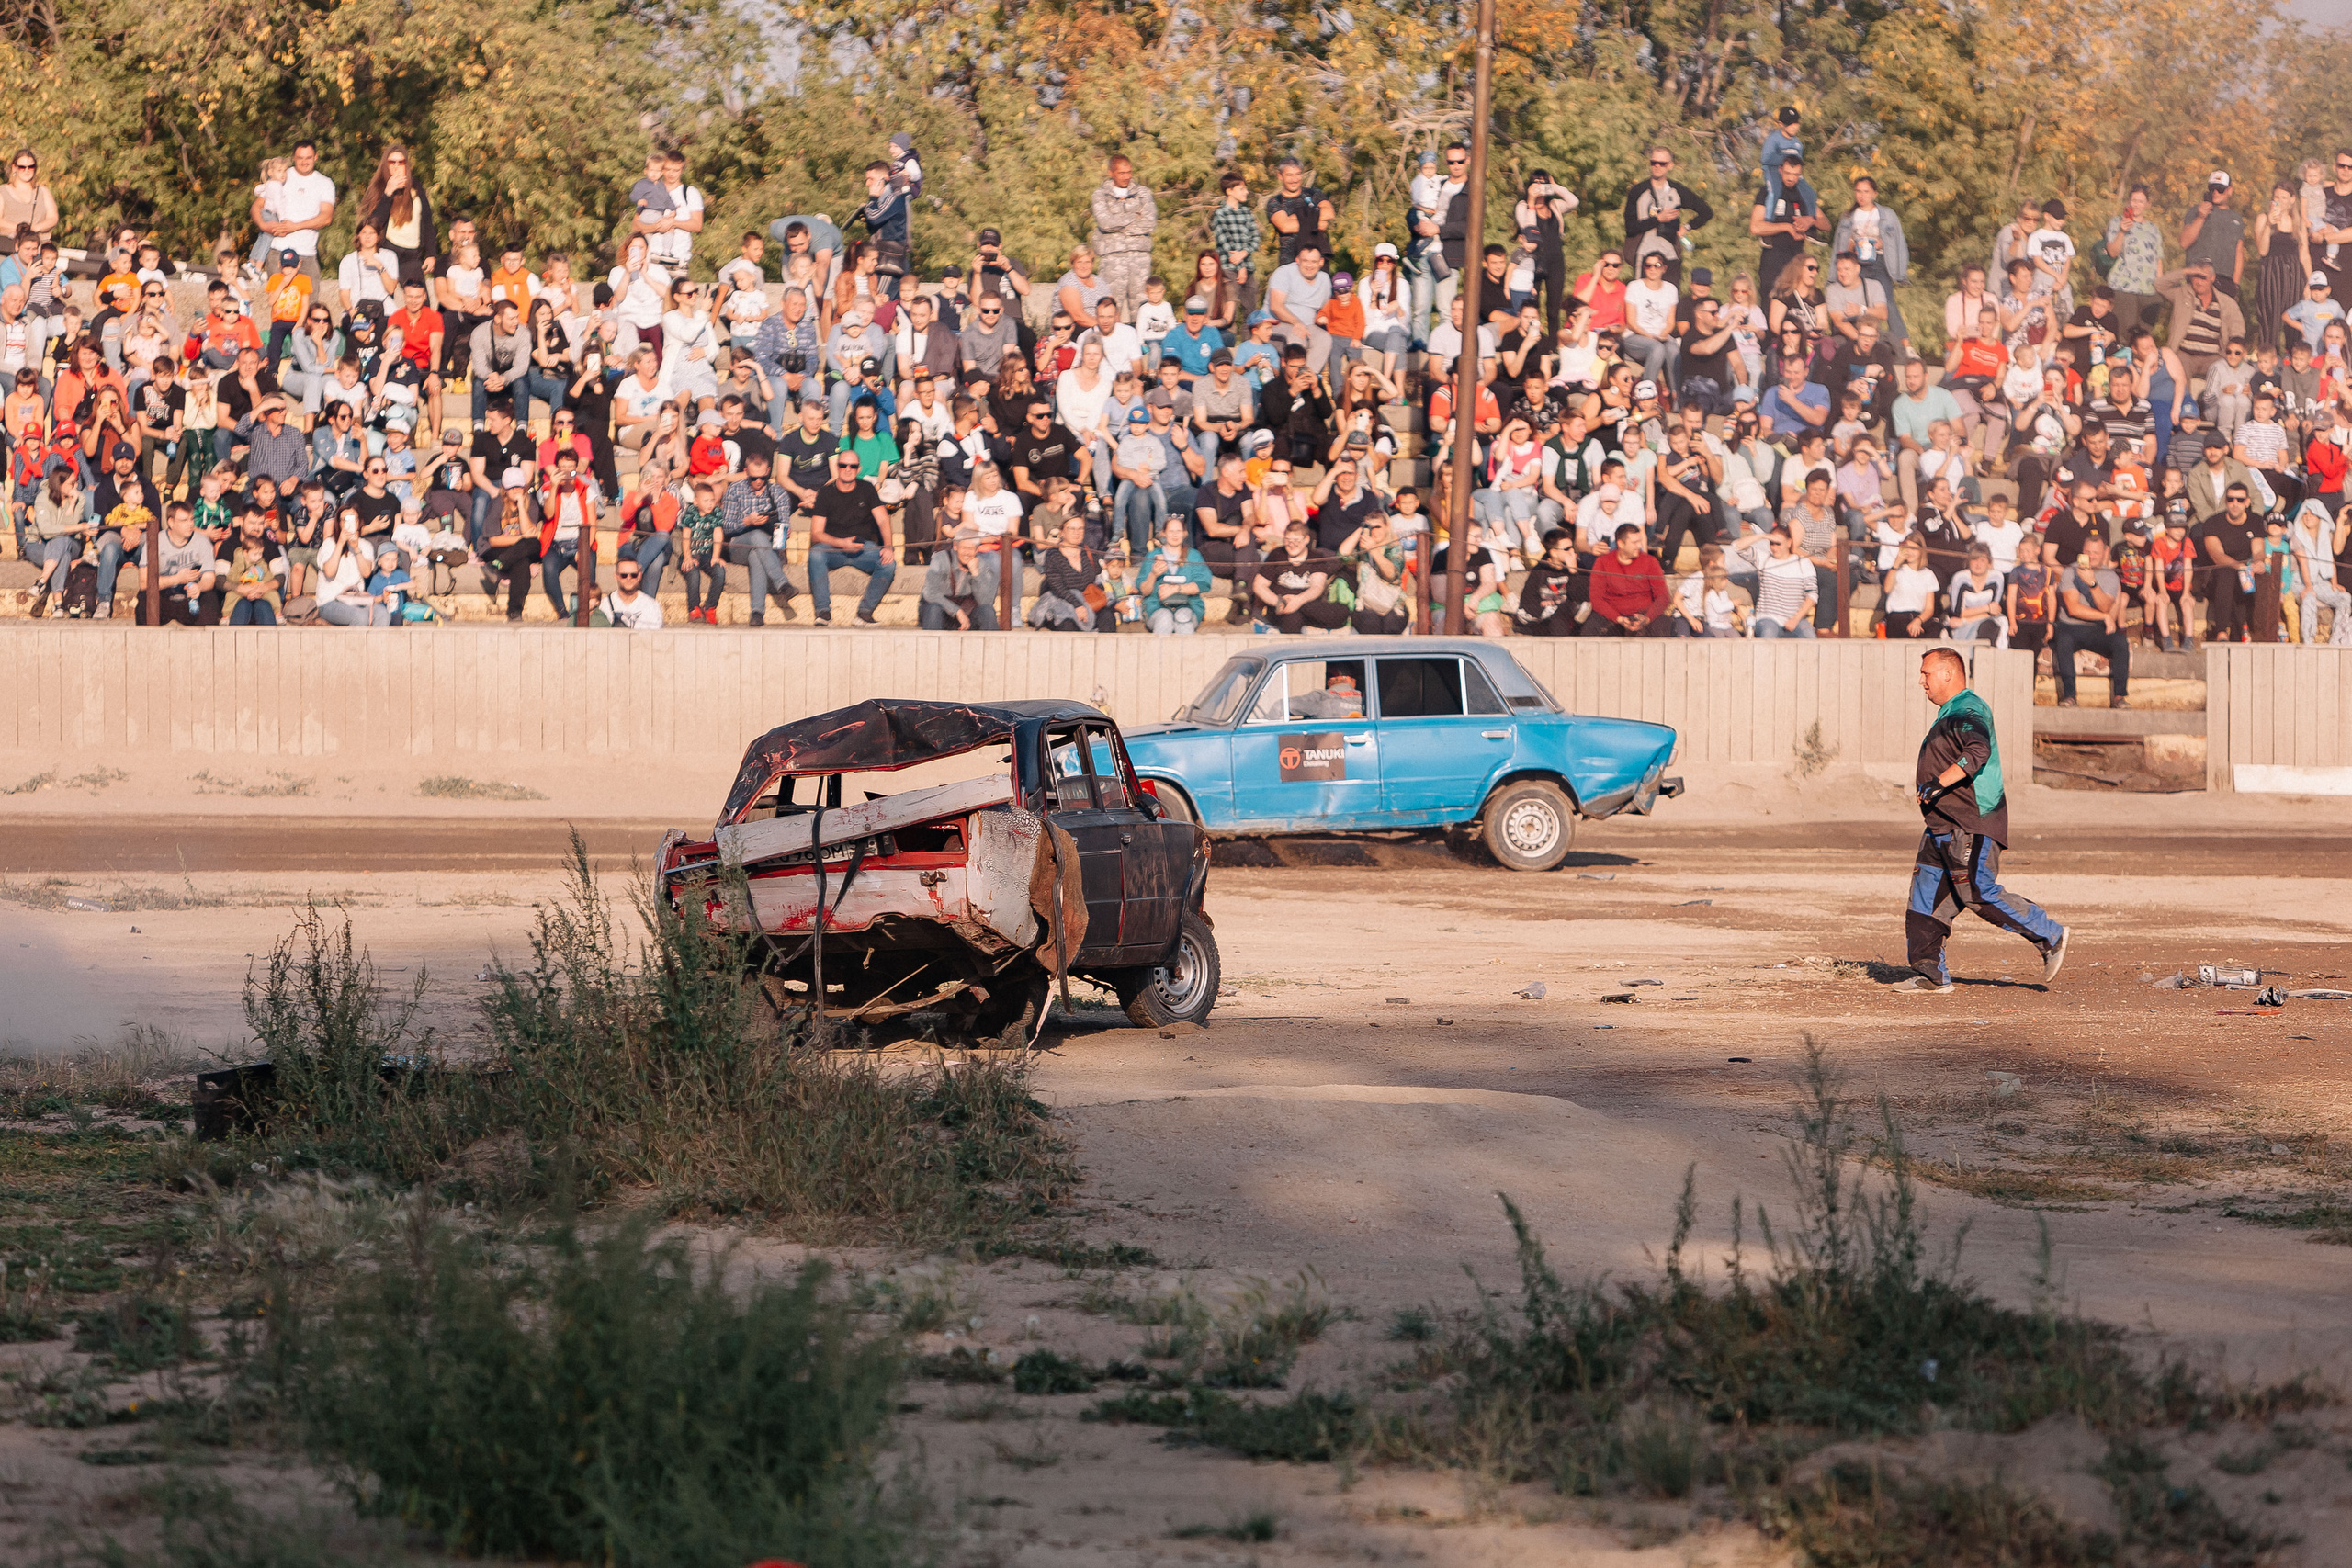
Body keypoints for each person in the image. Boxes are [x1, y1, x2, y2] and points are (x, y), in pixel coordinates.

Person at [1901, 648, 2069, 994]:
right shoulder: (1950, 712)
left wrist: (1938, 783)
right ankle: (1930, 972)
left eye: (1926, 674)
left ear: (1948, 674)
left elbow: (1978, 751)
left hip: (1970, 824)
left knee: (1977, 889)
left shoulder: (1968, 708)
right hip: (1941, 826)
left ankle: (2049, 934)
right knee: (1924, 897)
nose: (1921, 681)